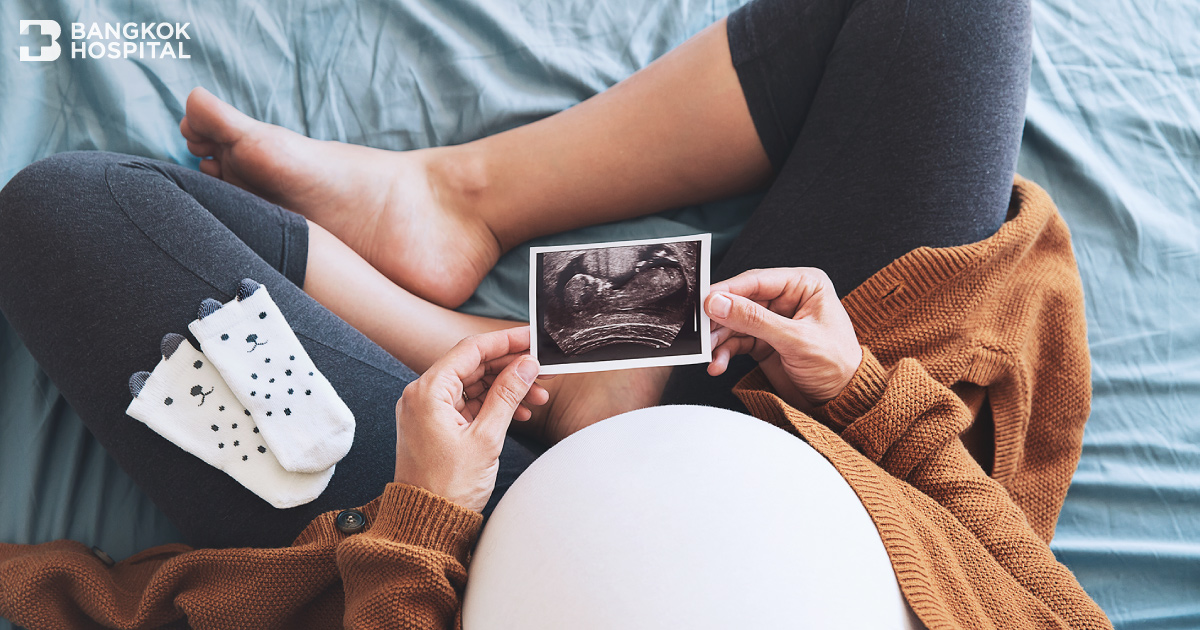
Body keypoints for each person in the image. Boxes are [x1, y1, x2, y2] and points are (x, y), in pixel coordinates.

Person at [0, 0, 1111, 626]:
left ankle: (571, 377)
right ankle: (466, 204)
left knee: (70, 215)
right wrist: (866, 395)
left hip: (469, 554)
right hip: (813, 445)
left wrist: (421, 536)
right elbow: (1033, 604)